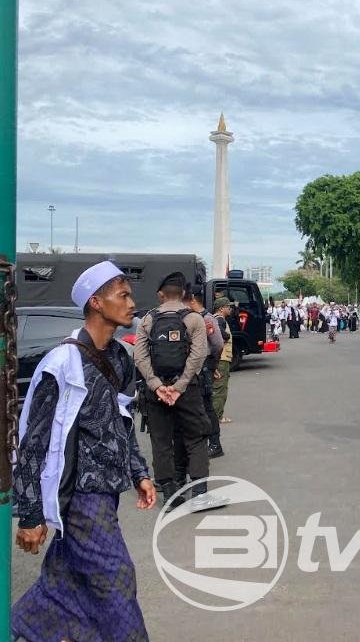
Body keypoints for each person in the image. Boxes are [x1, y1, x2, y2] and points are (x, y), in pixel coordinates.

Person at [12, 261, 156, 641]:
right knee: (116, 577)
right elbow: (33, 443)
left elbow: (121, 423)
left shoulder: (121, 360)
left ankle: (26, 626)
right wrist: (29, 514)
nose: (131, 303)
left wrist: (139, 472)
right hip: (78, 496)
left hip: (107, 493)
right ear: (96, 301)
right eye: (122, 295)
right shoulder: (63, 364)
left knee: (66, 579)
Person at [134, 271, 226, 511]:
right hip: (188, 391)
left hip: (155, 394)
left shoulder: (147, 320)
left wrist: (157, 385)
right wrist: (180, 385)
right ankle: (200, 495)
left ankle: (170, 496)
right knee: (196, 438)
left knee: (161, 442)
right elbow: (198, 355)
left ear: (160, 295)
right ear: (183, 294)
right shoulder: (194, 319)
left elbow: (140, 357)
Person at [179, 287, 225, 472]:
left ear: (192, 301)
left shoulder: (206, 319)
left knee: (207, 407)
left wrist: (211, 365)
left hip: (204, 366)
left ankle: (214, 444)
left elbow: (218, 344)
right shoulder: (189, 318)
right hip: (193, 368)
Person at [211, 297, 234, 433]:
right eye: (228, 307)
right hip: (222, 358)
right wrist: (226, 336)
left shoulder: (214, 318)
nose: (230, 309)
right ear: (221, 308)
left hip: (220, 358)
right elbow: (219, 333)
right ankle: (217, 416)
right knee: (220, 388)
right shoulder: (219, 319)